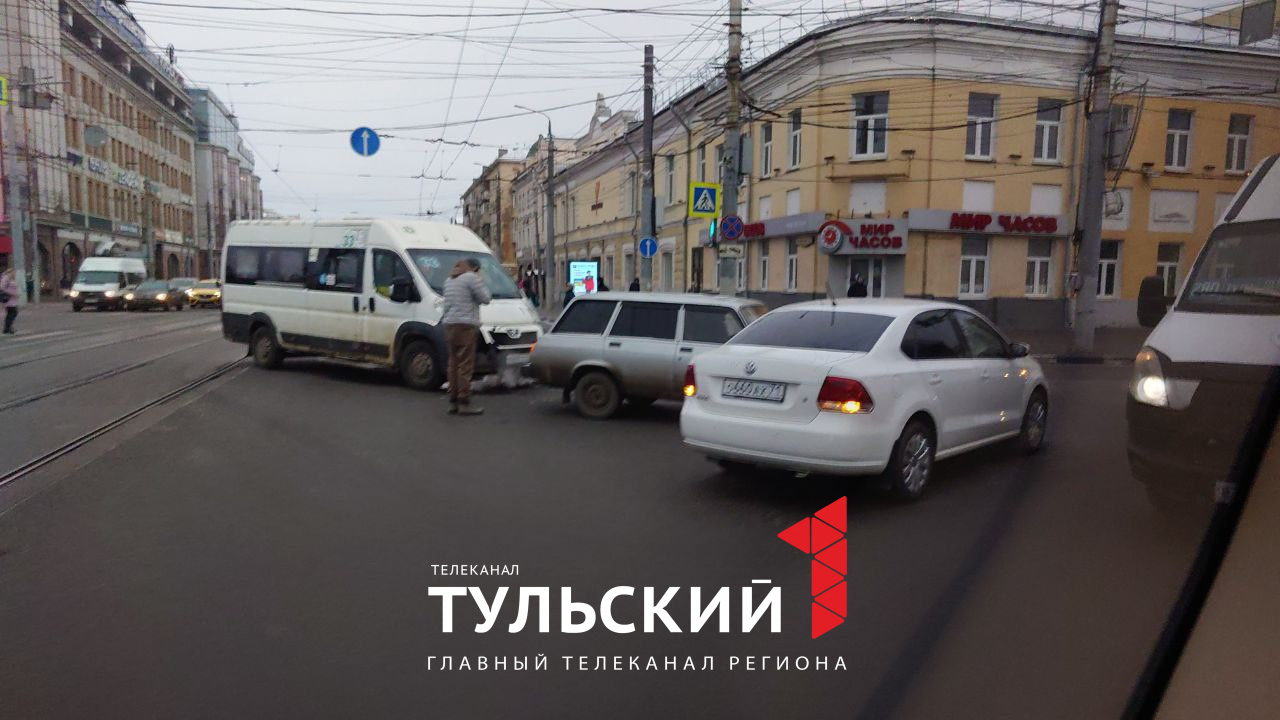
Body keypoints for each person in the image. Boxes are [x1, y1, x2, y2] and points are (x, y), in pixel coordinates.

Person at [441, 258, 492, 416]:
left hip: (449, 325)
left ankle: (453, 402)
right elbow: (486, 298)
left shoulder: (448, 280)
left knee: (453, 363)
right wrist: (481, 281)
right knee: (465, 365)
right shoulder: (471, 277)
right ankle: (464, 402)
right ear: (474, 268)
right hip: (466, 325)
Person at [1, 260, 17, 335]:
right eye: (13, 272)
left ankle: (8, 328)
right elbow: (2, 287)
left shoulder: (11, 278)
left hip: (13, 299)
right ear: (10, 272)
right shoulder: (6, 278)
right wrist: (11, 293)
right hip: (8, 299)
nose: (14, 273)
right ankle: (8, 328)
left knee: (12, 313)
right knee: (13, 313)